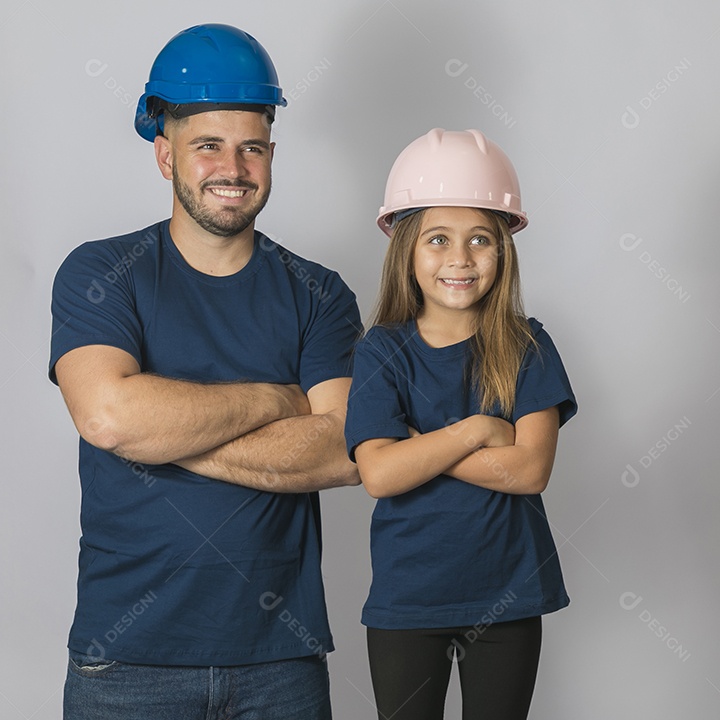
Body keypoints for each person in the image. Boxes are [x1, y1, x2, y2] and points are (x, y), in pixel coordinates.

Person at [48, 23, 361, 720]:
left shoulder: (320, 294)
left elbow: (345, 449)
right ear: (165, 156)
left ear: (272, 155)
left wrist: (163, 432)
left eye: (252, 146)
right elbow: (107, 416)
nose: (234, 167)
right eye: (207, 145)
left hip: (281, 659)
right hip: (126, 665)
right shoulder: (102, 275)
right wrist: (279, 400)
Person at [344, 128, 577, 720]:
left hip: (507, 598)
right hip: (407, 601)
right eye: (438, 239)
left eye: (480, 240)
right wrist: (475, 430)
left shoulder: (528, 345)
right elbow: (378, 473)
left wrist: (420, 448)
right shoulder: (381, 351)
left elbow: (529, 471)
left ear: (504, 250)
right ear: (406, 251)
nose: (459, 259)